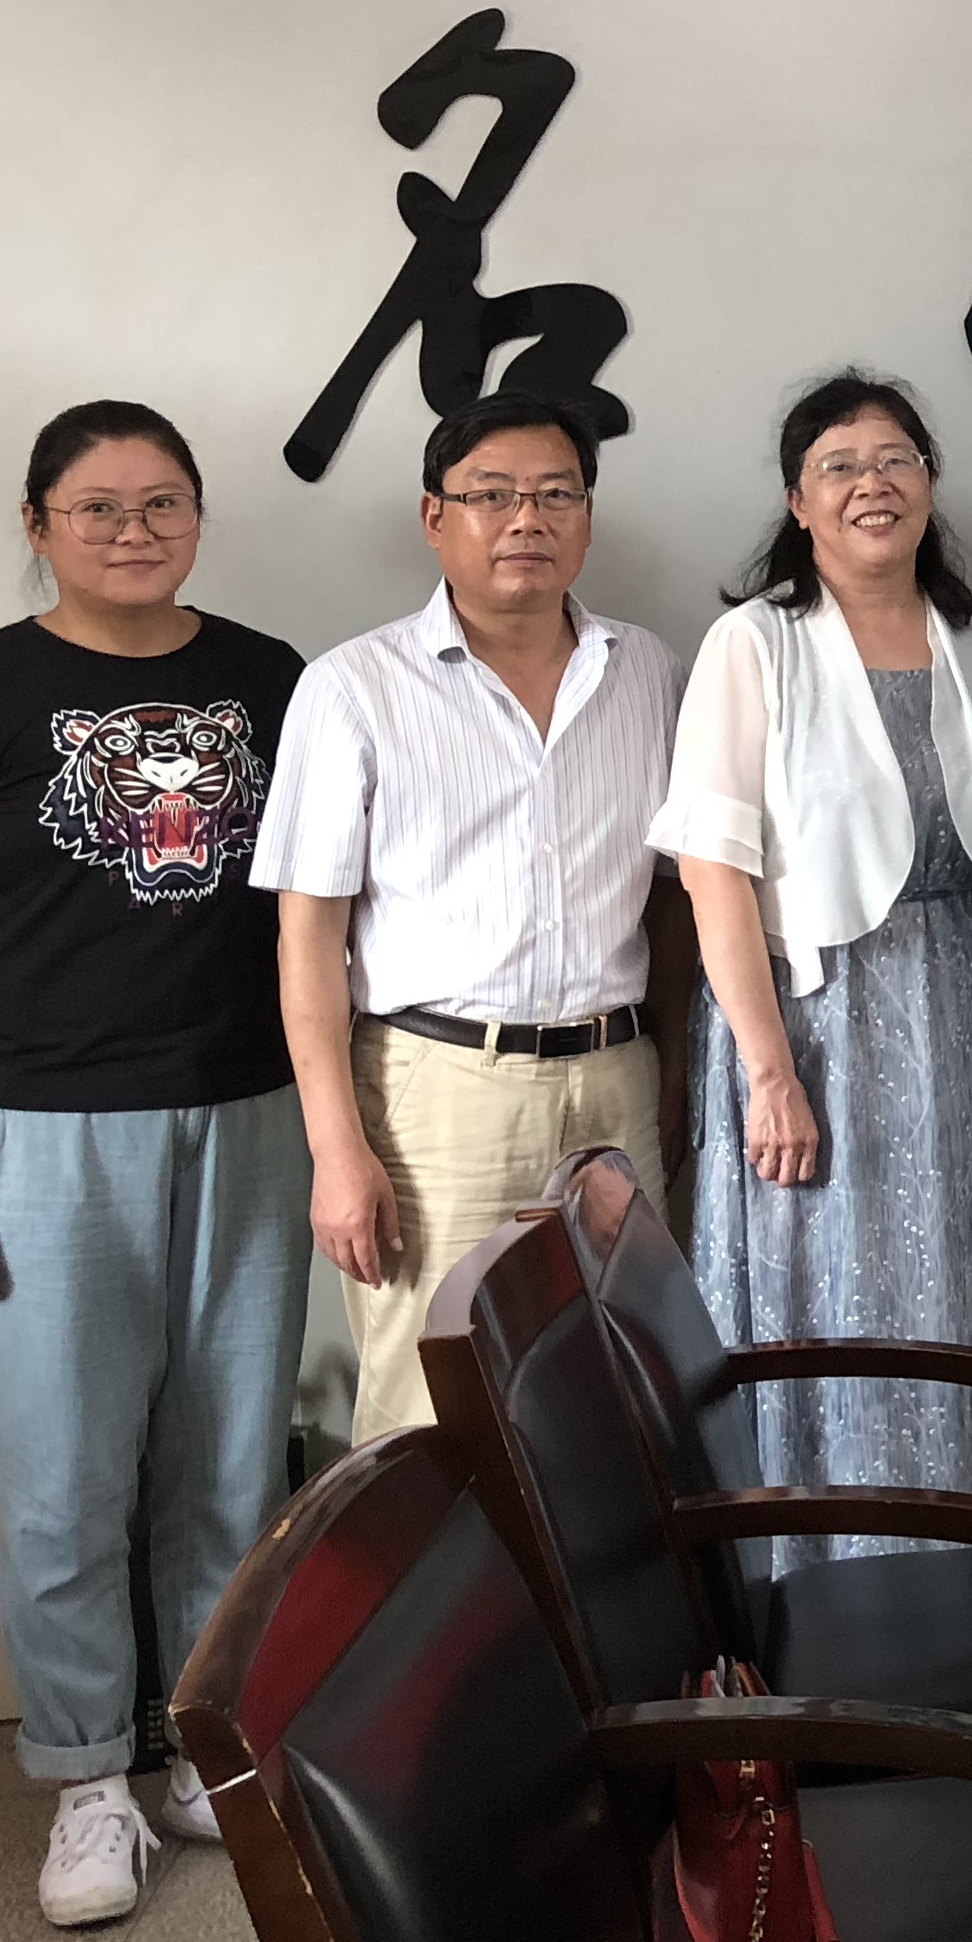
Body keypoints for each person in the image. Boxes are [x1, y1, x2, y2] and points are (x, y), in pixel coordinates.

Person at [0, 400, 307, 1927]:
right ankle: (85, 1778)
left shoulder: (271, 678)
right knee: (65, 1479)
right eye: (100, 506)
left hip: (249, 1111)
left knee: (230, 1467)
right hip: (38, 1130)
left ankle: (203, 1753)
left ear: (199, 517)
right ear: (37, 522)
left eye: (163, 502)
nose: (135, 530)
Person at [655, 373, 972, 1550]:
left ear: (929, 482)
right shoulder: (755, 642)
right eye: (838, 465)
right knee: (823, 1295)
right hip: (811, 1024)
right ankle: (830, 1570)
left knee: (959, 1287)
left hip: (957, 1004)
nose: (870, 484)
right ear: (798, 502)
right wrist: (768, 1072)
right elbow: (712, 871)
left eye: (895, 459)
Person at [254, 391, 689, 1437]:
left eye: (555, 495)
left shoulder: (649, 673)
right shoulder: (353, 687)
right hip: (437, 1092)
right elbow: (308, 941)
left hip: (615, 1077)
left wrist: (672, 1072)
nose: (526, 519)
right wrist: (337, 1150)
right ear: (434, 516)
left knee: (621, 1394)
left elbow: (675, 900)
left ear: (587, 517)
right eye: (491, 495)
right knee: (433, 1411)